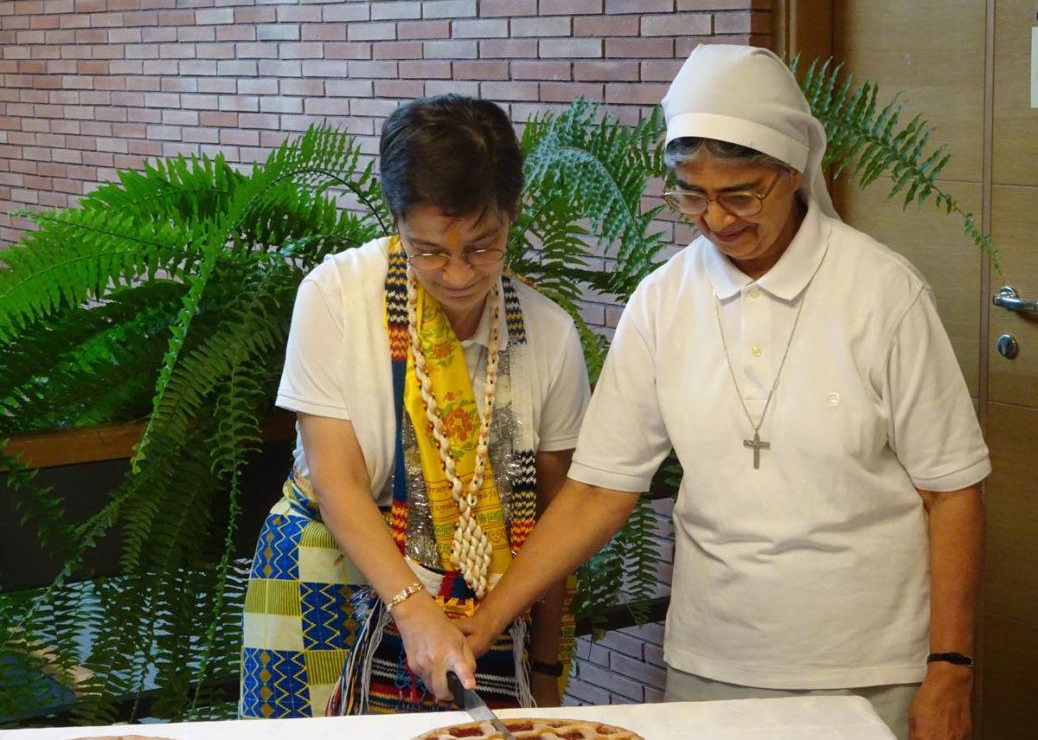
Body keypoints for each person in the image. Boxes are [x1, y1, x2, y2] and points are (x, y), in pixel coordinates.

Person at [448, 45, 988, 740]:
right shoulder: (663, 301)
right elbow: (598, 489)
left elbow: (952, 491)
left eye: (740, 194)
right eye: (691, 194)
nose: (716, 219)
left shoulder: (883, 294)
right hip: (712, 660)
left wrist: (950, 665)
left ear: (791, 172)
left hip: (872, 664)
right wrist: (488, 618)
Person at [238, 94, 591, 718]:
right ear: (396, 220)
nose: (457, 274)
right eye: (428, 249)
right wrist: (414, 607)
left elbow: (556, 519)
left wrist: (543, 662)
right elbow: (336, 477)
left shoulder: (549, 334)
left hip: (487, 606)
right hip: (331, 575)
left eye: (483, 246)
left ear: (514, 214)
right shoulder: (336, 296)